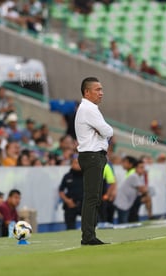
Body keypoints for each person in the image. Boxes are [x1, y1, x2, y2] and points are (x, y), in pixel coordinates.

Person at [75, 77, 113, 246]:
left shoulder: (87, 108)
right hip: (92, 155)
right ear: (87, 92)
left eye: (101, 89)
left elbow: (104, 131)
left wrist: (102, 132)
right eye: (97, 89)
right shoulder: (89, 109)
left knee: (93, 197)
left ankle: (89, 234)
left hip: (91, 155)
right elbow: (108, 130)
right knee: (92, 197)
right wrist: (103, 132)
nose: (101, 93)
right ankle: (88, 236)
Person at [58, 157, 83, 230]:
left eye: (79, 163)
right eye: (75, 163)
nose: (78, 165)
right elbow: (61, 191)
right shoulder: (67, 176)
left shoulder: (86, 175)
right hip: (70, 203)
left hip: (84, 204)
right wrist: (67, 201)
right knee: (70, 227)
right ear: (71, 164)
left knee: (93, 221)